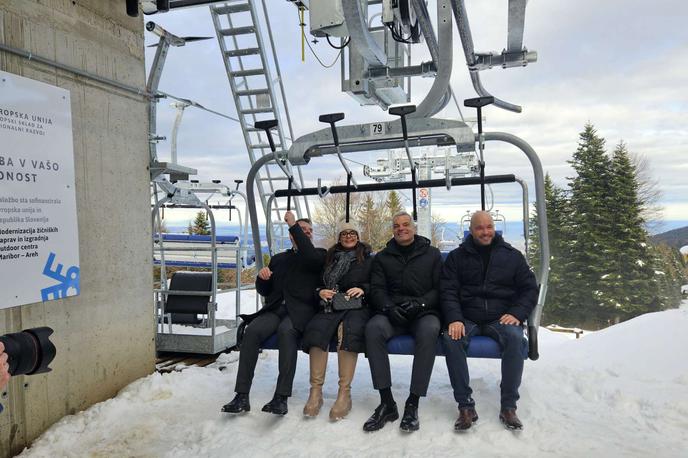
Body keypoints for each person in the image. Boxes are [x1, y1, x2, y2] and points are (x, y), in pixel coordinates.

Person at [440, 210, 538, 431]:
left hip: (500, 316)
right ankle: (465, 406)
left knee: (514, 338)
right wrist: (454, 318)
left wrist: (517, 313)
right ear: (471, 230)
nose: (485, 232)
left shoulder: (512, 256)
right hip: (468, 316)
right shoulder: (457, 257)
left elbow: (529, 289)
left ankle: (509, 406)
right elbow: (448, 291)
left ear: (494, 228)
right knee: (451, 339)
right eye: (479, 228)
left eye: (489, 227)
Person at [222, 211, 326, 416]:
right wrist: (263, 279)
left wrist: (293, 224)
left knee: (287, 333)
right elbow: (266, 291)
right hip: (276, 309)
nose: (307, 234)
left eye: (309, 231)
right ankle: (242, 395)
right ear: (291, 236)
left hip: (300, 312)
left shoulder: (319, 256)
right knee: (252, 332)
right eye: (302, 230)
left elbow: (309, 256)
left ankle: (281, 397)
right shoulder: (279, 259)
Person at [363, 212, 442, 432]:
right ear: (393, 230)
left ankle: (413, 402)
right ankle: (387, 401)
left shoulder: (432, 254)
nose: (401, 229)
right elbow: (377, 289)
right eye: (396, 226)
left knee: (430, 330)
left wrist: (422, 304)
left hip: (423, 312)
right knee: (373, 329)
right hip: (393, 312)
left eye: (406, 224)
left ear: (414, 228)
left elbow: (440, 288)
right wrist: (388, 308)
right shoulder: (383, 257)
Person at [301, 220, 373, 420]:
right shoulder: (329, 258)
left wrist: (363, 289)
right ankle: (315, 391)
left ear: (358, 236)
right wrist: (320, 291)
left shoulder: (368, 258)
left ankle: (344, 393)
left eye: (352, 233)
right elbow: (315, 283)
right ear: (339, 238)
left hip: (356, 306)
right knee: (316, 331)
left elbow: (378, 283)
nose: (348, 236)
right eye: (344, 233)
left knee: (348, 331)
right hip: (330, 306)